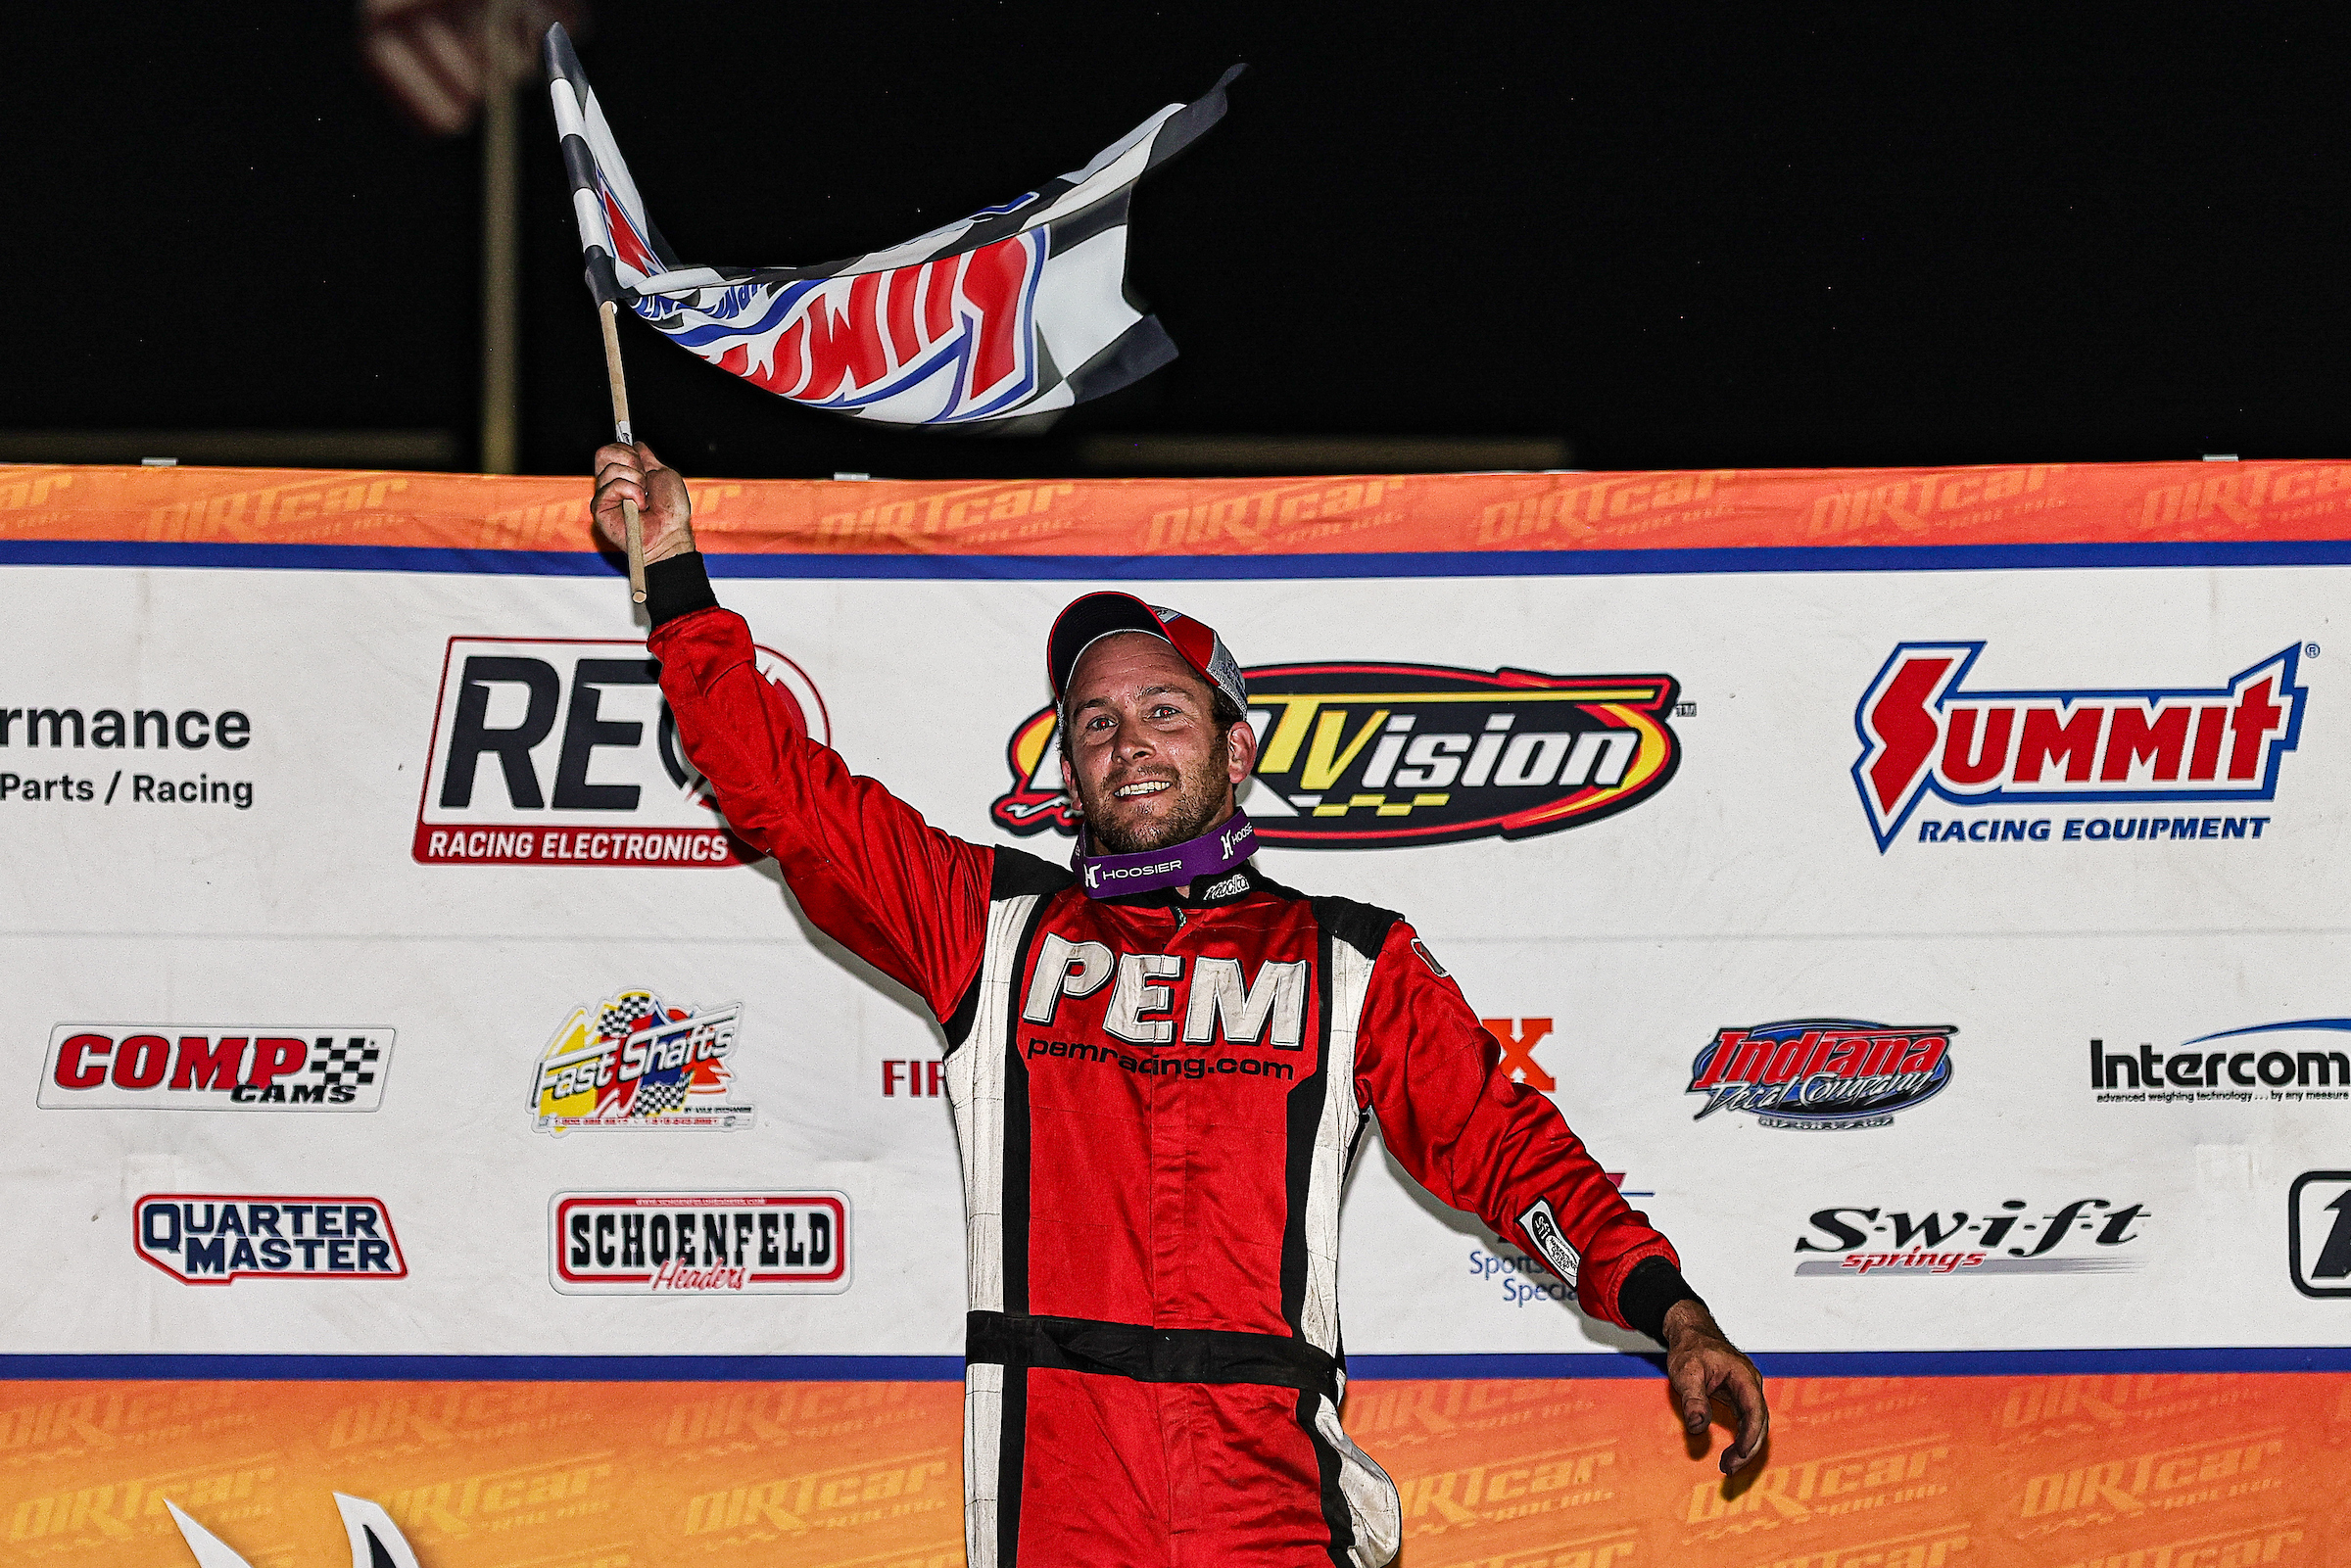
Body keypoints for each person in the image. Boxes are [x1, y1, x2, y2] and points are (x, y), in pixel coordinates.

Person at [592, 444, 1769, 1568]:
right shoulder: (993, 927)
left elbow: (1510, 1152)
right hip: (1062, 1505)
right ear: (1069, 773)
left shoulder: (1347, 958)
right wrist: (679, 573)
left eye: (1163, 709)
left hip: (1270, 1507)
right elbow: (785, 795)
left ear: (1234, 746)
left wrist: (1668, 1306)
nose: (1127, 742)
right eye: (1093, 722)